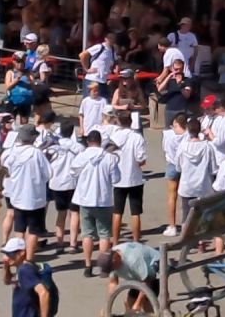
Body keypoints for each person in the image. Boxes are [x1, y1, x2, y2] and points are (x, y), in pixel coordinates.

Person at [72, 129, 120, 276]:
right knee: (104, 235)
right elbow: (116, 178)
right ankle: (103, 267)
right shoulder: (109, 158)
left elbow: (72, 172)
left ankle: (88, 265)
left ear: (88, 141)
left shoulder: (82, 156)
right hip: (103, 200)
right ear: (100, 142)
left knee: (87, 234)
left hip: (85, 199)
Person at [1, 124, 52, 260]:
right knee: (33, 231)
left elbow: (7, 171)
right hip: (35, 198)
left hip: (17, 197)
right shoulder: (37, 153)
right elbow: (48, 174)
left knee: (19, 229)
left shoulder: (13, 153)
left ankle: (18, 256)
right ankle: (29, 258)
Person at [104, 107, 148, 245]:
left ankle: (115, 241)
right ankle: (136, 241)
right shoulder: (137, 137)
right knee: (136, 212)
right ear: (131, 122)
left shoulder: (114, 137)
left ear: (118, 121)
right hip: (134, 179)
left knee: (117, 212)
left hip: (118, 179)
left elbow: (107, 155)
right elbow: (141, 160)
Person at [174, 117, 220, 226]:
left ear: (188, 130)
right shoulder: (207, 147)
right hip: (203, 186)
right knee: (203, 217)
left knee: (186, 216)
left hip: (187, 186)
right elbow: (213, 169)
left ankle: (186, 235)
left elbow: (178, 167)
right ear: (199, 130)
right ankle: (200, 235)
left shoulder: (182, 147)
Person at [46, 117, 81, 256]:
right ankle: (73, 244)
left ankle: (59, 243)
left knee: (61, 213)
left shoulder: (52, 147)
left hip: (57, 184)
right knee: (74, 213)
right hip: (72, 183)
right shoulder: (78, 147)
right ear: (72, 132)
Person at [96, 242, 161, 313]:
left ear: (115, 260)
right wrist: (107, 307)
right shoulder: (111, 258)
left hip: (153, 270)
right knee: (131, 302)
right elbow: (113, 283)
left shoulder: (133, 260)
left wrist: (138, 304)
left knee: (146, 304)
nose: (112, 270)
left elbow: (147, 282)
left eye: (112, 268)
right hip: (138, 276)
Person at [1, 236, 58, 317]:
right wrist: (6, 266)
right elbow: (7, 281)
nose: (7, 257)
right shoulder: (22, 266)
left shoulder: (24, 270)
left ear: (22, 253)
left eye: (11, 254)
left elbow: (44, 293)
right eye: (6, 254)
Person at [161, 112, 188, 238]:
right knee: (187, 197)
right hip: (186, 166)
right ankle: (186, 223)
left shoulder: (168, 134)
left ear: (176, 123)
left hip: (172, 164)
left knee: (172, 196)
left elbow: (165, 148)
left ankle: (172, 226)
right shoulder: (188, 135)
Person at [81, 34, 115, 100]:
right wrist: (86, 69)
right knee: (90, 101)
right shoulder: (100, 47)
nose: (111, 40)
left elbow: (115, 61)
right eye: (109, 38)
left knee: (104, 102)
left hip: (103, 81)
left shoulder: (113, 50)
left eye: (113, 38)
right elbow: (82, 55)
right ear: (105, 38)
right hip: (93, 79)